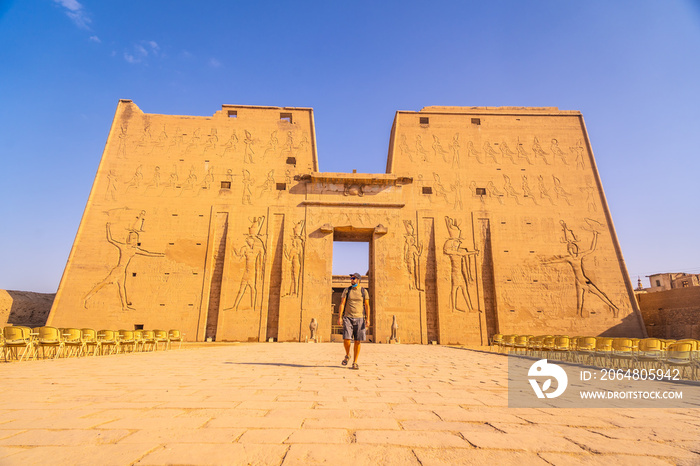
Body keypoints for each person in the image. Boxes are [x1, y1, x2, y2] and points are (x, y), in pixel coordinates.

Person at [337, 273, 370, 370]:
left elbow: (367, 306)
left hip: (359, 318)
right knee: (346, 339)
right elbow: (342, 303)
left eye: (353, 278)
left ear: (358, 280)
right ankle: (347, 354)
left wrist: (368, 318)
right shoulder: (347, 290)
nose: (351, 280)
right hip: (348, 317)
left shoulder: (364, 291)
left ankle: (355, 362)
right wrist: (340, 317)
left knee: (357, 341)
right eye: (351, 278)